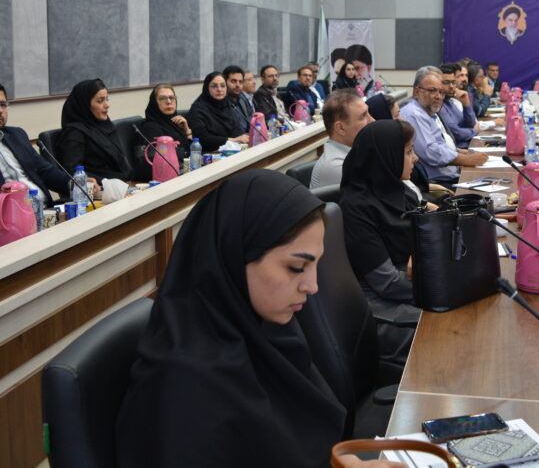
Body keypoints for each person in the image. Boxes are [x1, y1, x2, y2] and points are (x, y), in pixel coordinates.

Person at [115, 169, 404, 468]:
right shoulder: (183, 389)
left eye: (315, 265)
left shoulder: (266, 331)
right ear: (235, 255)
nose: (312, 286)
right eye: (295, 268)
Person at [340, 120, 422, 366]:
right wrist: (441, 283)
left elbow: (424, 235)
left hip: (411, 289)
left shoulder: (401, 191)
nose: (415, 158)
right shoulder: (356, 208)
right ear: (386, 157)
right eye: (408, 152)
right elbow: (387, 283)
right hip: (386, 311)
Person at [0, 80, 79, 208]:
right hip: (5, 216)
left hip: (46, 210)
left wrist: (75, 185)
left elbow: (45, 171)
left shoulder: (16, 135)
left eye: (3, 104)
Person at [399, 67, 488, 186]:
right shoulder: (414, 114)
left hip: (451, 176)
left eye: (441, 92)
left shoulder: (427, 112)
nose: (438, 96)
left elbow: (439, 144)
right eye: (432, 90)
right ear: (416, 92)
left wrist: (460, 153)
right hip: (438, 184)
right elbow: (431, 152)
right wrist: (467, 159)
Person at [57, 79, 133, 184]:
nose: (107, 105)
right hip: (101, 188)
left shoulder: (105, 125)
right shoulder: (75, 133)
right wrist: (106, 182)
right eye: (100, 101)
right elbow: (73, 171)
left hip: (122, 182)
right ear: (84, 104)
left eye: (107, 99)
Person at [310, 90, 374, 188]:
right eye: (363, 117)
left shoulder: (354, 151)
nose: (373, 120)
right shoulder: (336, 166)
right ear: (341, 128)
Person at [133, 84, 193, 181]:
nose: (168, 102)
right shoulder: (150, 128)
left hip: (180, 174)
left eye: (171, 98)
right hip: (162, 180)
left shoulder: (176, 123)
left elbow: (190, 153)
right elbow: (159, 161)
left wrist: (187, 131)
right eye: (162, 98)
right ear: (154, 103)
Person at [188, 72, 250, 151]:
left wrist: (242, 139)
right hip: (209, 154)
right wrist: (234, 140)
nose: (219, 89)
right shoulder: (198, 109)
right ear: (207, 88)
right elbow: (204, 138)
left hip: (231, 150)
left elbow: (236, 129)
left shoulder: (227, 104)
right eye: (214, 86)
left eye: (223, 86)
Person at [438, 63, 478, 148]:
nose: (451, 86)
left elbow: (470, 124)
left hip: (467, 145)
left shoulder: (451, 102)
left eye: (453, 82)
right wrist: (475, 131)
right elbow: (457, 133)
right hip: (460, 150)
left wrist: (466, 104)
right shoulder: (439, 105)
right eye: (446, 83)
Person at [222, 65, 252, 133]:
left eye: (240, 82)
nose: (238, 85)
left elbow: (251, 121)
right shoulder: (221, 104)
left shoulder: (242, 99)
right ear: (224, 82)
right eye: (233, 81)